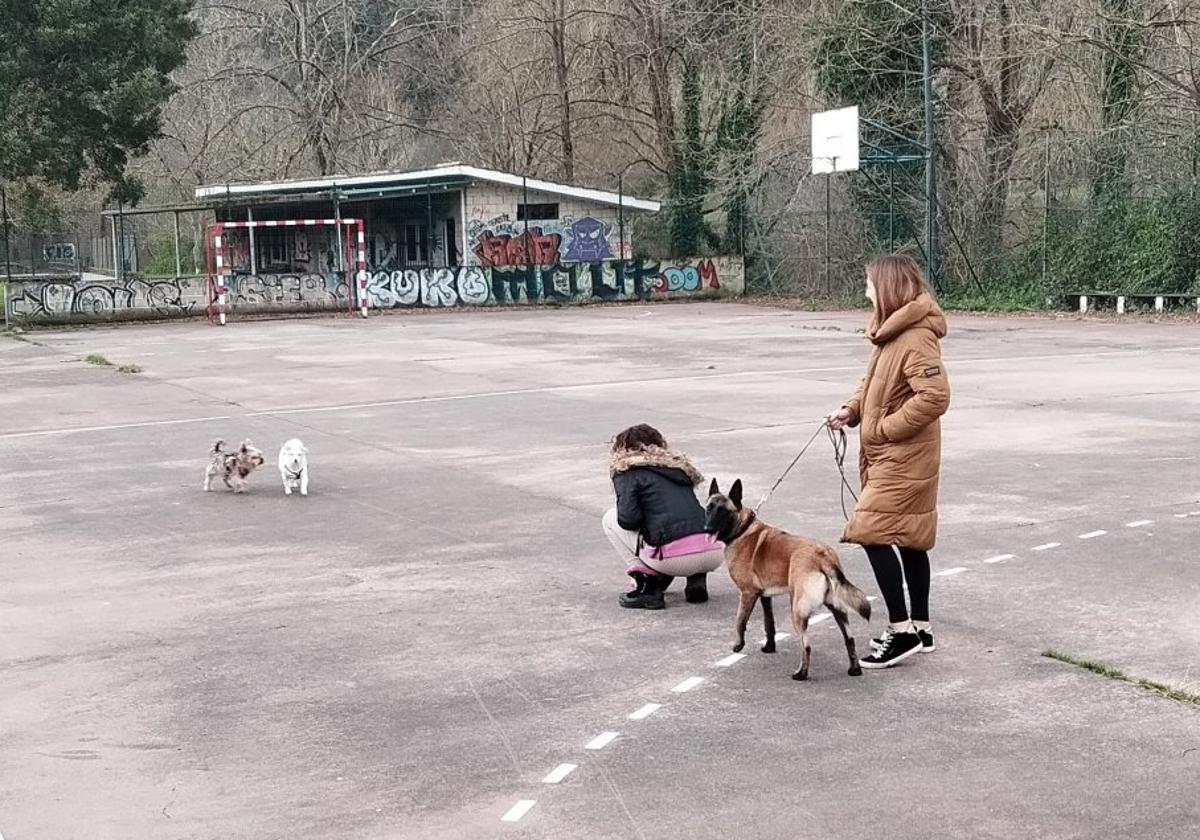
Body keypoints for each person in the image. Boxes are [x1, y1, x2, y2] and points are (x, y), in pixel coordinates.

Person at [827, 253, 950, 669]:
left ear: (887, 288)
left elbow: (934, 397)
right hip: (894, 453)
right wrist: (851, 410)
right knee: (909, 535)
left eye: (868, 283)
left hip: (904, 454)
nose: (865, 290)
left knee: (871, 530)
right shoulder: (890, 333)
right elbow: (875, 385)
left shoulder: (915, 337)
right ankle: (921, 627)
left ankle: (900, 633)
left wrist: (882, 429)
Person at [602, 424, 724, 610]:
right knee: (685, 522)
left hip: (675, 558)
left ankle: (648, 587)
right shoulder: (678, 469)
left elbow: (628, 520)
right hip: (714, 550)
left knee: (610, 518)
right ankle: (696, 580)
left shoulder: (627, 472)